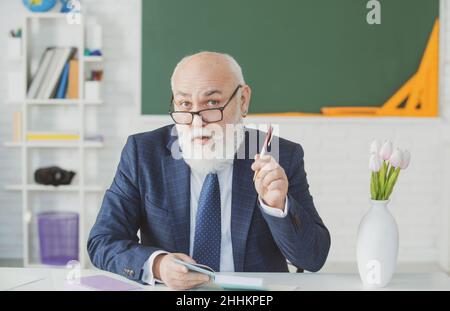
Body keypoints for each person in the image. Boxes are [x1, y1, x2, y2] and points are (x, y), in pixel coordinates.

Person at [88, 51, 330, 290]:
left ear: (243, 100)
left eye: (212, 103)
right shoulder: (142, 153)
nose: (197, 122)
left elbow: (312, 258)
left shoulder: (279, 155)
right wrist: (158, 265)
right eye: (184, 104)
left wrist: (277, 207)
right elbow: (103, 242)